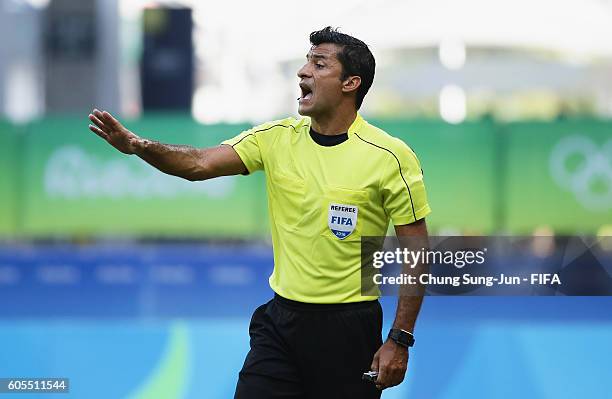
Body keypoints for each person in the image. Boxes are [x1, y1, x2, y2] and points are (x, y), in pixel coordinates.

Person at [88, 26, 430, 398]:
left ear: (351, 83)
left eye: (319, 64)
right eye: (305, 62)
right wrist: (140, 146)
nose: (303, 72)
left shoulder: (390, 156)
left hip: (350, 327)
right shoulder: (275, 138)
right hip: (280, 324)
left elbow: (417, 252)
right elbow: (199, 164)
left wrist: (400, 338)